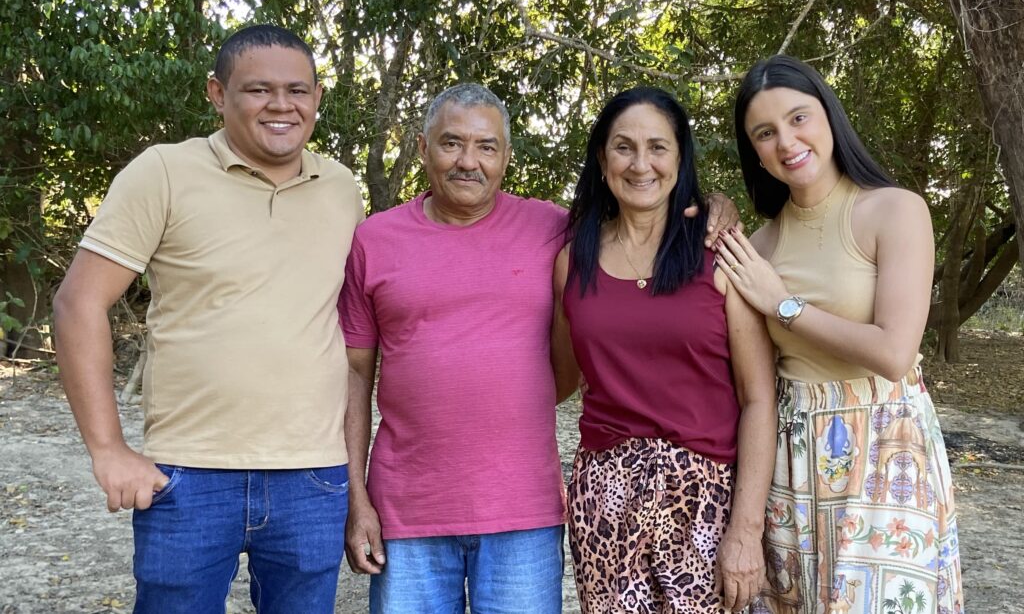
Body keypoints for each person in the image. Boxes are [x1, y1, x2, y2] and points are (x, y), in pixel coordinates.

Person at [340, 83, 739, 612]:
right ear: (421, 147)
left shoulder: (554, 230)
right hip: (407, 510)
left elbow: (641, 209)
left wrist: (713, 204)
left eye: (486, 146)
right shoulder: (375, 239)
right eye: (451, 143)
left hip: (523, 513)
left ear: (506, 155)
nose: (468, 161)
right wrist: (356, 498)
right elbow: (353, 376)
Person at [52, 25, 364, 613]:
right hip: (188, 473)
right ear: (217, 94)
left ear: (317, 98)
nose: (281, 105)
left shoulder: (341, 188)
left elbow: (352, 329)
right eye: (258, 90)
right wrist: (108, 447)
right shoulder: (164, 173)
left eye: (297, 89)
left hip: (312, 474)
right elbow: (78, 303)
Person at [717, 55, 964, 613]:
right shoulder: (756, 249)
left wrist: (782, 304)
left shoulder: (894, 211)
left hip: (888, 452)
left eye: (798, 117)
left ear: (828, 114)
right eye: (765, 132)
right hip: (791, 460)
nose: (787, 141)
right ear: (753, 149)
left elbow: (894, 353)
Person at [550, 86, 777, 613]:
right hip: (604, 497)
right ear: (602, 159)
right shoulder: (573, 260)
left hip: (704, 498)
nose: (640, 164)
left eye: (658, 147)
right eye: (623, 147)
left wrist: (744, 530)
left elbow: (758, 399)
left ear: (680, 157)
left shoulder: (719, 252)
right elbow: (559, 380)